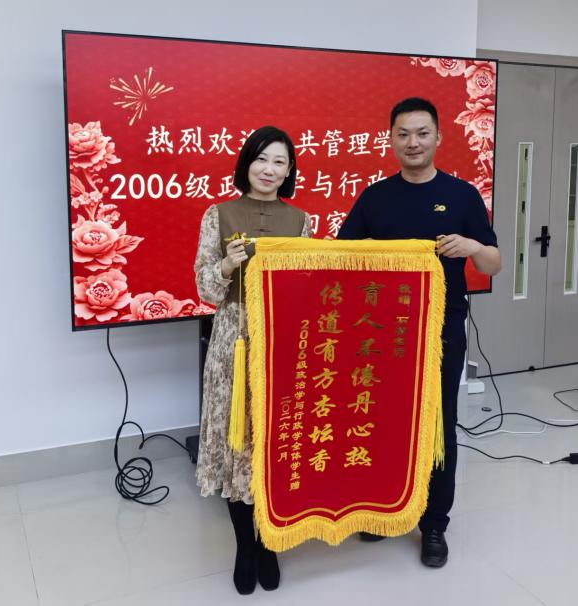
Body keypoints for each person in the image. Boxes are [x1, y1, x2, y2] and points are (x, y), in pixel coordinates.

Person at [337, 97, 501, 568]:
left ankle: (434, 524)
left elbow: (494, 263)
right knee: (381, 420)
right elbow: (341, 259)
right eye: (403, 134)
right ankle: (384, 510)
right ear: (391, 139)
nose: (413, 142)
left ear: (438, 137)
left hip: (441, 331)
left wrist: (471, 246)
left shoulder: (462, 195)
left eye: (422, 133)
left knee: (438, 424)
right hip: (380, 334)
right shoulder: (374, 198)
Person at [194, 126, 312, 594]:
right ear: (247, 163)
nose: (269, 169)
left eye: (279, 162)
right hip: (234, 339)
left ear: (289, 171)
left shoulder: (300, 221)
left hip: (282, 340)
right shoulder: (218, 214)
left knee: (274, 443)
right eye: (262, 159)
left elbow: (306, 287)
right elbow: (205, 288)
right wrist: (227, 264)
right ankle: (245, 546)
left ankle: (269, 542)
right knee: (237, 442)